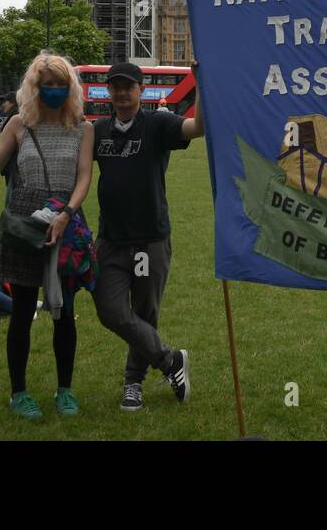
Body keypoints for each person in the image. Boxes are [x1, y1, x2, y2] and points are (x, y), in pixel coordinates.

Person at [0, 53, 94, 421]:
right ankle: (18, 392)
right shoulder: (19, 124)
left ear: (70, 88)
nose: (53, 90)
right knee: (21, 312)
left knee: (64, 312)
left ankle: (65, 389)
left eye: (60, 84)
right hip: (24, 222)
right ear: (34, 88)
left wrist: (67, 214)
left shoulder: (83, 128)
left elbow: (84, 176)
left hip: (66, 221)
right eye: (46, 84)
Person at [91, 62, 203, 411]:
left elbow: (197, 128)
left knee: (144, 311)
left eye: (128, 86)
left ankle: (133, 383)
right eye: (115, 87)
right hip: (111, 239)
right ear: (108, 91)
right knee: (109, 310)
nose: (122, 93)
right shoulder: (98, 130)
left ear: (141, 90)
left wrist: (203, 84)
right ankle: (170, 361)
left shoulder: (157, 123)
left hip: (149, 238)